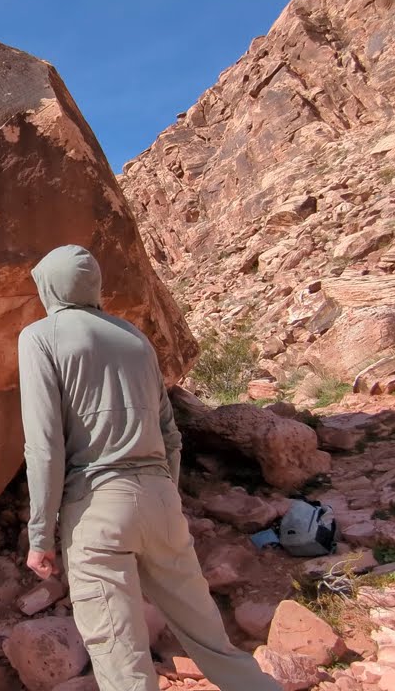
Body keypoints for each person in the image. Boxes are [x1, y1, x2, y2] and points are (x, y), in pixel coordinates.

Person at [18, 246, 280, 691]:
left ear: (49, 285)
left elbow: (45, 446)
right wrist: (165, 495)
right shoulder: (134, 337)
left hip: (97, 506)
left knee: (122, 661)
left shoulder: (40, 337)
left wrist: (41, 535)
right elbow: (171, 434)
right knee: (211, 641)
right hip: (160, 497)